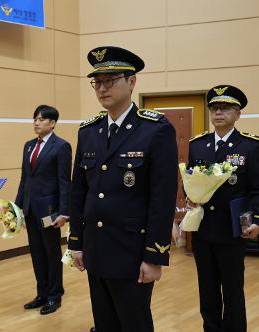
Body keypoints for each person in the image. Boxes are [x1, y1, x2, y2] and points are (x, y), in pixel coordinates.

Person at [68, 46, 178, 332]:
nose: (102, 88)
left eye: (110, 80)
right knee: (104, 323)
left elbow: (162, 198)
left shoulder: (155, 129)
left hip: (132, 250)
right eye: (97, 82)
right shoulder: (88, 131)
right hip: (96, 248)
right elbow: (79, 190)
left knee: (134, 323)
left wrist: (155, 256)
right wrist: (76, 242)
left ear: (132, 82)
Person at [187, 85, 259, 332]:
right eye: (214, 108)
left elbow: (257, 189)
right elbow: (192, 181)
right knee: (206, 289)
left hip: (231, 230)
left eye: (225, 108)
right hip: (203, 229)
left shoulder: (250, 146)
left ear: (237, 114)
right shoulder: (198, 145)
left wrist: (257, 220)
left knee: (232, 289)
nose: (218, 113)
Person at [15, 105, 72, 315]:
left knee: (51, 252)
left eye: (41, 119)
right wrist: (17, 207)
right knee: (37, 254)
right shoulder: (28, 146)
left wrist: (64, 212)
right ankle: (42, 293)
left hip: (50, 212)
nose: (36, 123)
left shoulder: (61, 147)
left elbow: (65, 181)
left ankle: (55, 295)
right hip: (30, 209)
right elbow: (25, 179)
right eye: (35, 119)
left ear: (53, 123)